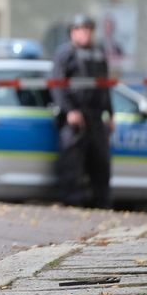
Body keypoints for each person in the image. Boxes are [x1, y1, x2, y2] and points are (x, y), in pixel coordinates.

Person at [50, 15, 115, 209]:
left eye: (89, 29)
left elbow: (105, 86)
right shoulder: (65, 54)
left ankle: (102, 205)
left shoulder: (98, 53)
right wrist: (70, 110)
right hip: (75, 120)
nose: (86, 33)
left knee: (101, 164)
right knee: (71, 164)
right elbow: (57, 85)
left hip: (96, 118)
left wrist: (110, 114)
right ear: (73, 32)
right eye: (81, 29)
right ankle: (72, 204)